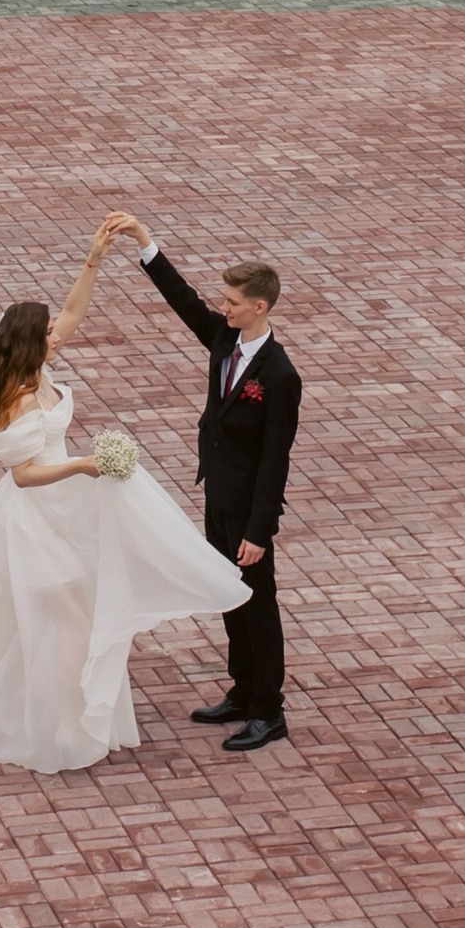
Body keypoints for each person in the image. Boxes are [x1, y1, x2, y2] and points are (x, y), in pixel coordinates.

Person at [0, 223, 248, 774]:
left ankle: (68, 712)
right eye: (48, 332)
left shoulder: (37, 366)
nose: (59, 335)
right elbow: (22, 474)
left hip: (65, 510)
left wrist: (93, 260)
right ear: (30, 342)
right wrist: (85, 464)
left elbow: (72, 312)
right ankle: (66, 725)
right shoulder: (16, 399)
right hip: (36, 519)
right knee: (72, 621)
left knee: (59, 615)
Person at [103, 211, 302, 753]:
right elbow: (183, 299)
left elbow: (275, 460)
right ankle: (242, 692)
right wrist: (146, 244)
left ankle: (268, 710)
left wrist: (260, 532)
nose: (225, 307)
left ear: (259, 307)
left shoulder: (280, 376)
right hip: (219, 493)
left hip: (249, 511)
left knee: (257, 603)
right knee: (228, 595)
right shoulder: (223, 337)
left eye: (234, 302)